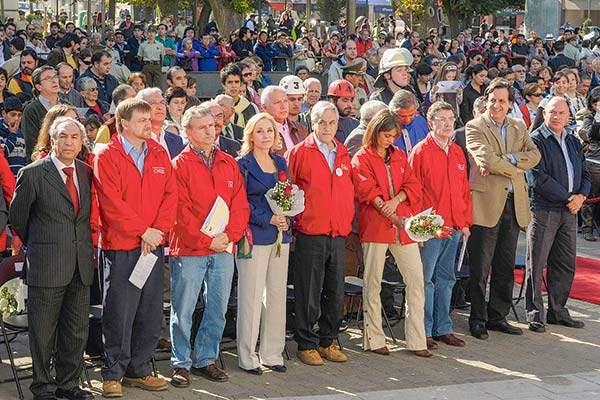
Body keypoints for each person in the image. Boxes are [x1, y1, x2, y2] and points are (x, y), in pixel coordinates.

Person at [94, 98, 177, 397]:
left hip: (152, 245)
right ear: (124, 123)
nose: (148, 123)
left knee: (149, 309)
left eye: (149, 118)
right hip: (122, 247)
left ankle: (139, 370)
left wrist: (156, 232)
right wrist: (143, 230)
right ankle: (113, 373)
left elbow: (171, 195)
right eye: (142, 119)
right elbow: (111, 203)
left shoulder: (158, 152)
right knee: (120, 311)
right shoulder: (108, 155)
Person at [9, 117, 95, 400]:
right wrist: (43, 245)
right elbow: (18, 218)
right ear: (52, 140)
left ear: (81, 142)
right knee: (43, 331)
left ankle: (68, 384)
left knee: (76, 330)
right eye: (63, 137)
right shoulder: (33, 173)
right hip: (47, 264)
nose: (69, 142)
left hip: (80, 265)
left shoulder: (85, 172)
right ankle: (43, 386)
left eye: (74, 137)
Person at [169, 105, 249, 387]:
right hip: (190, 250)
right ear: (188, 132)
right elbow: (179, 212)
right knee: (184, 309)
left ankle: (206, 358)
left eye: (212, 125)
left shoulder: (229, 162)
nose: (209, 130)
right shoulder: (178, 165)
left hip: (224, 248)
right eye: (201, 127)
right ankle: (181, 363)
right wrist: (207, 240)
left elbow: (240, 204)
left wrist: (230, 235)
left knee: (217, 306)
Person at [351, 108, 431, 357]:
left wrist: (397, 201)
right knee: (372, 282)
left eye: (394, 136)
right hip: (377, 226)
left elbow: (413, 184)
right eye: (386, 135)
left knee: (416, 280)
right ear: (375, 132)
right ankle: (374, 338)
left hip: (402, 226)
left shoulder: (399, 155)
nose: (390, 140)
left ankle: (417, 339)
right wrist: (393, 214)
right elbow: (367, 192)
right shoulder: (361, 158)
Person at [465, 78, 541, 340]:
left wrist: (507, 159)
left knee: (505, 266)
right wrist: (516, 166)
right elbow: (485, 159)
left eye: (502, 101)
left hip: (513, 204)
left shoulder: (519, 126)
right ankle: (477, 319)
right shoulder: (474, 126)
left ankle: (498, 316)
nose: (496, 105)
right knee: (480, 268)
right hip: (486, 205)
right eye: (493, 100)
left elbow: (535, 155)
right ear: (486, 100)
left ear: (510, 104)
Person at [285, 101, 354, 366]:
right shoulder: (299, 152)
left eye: (332, 122)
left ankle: (328, 339)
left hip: (337, 233)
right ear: (312, 123)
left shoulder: (343, 152)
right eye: (321, 122)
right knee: (309, 290)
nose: (327, 127)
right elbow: (287, 190)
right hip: (311, 232)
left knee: (335, 291)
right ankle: (305, 342)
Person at [408, 101, 472, 349]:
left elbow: (464, 190)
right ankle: (423, 330)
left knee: (446, 278)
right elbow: (414, 192)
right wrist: (419, 228)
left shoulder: (457, 151)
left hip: (453, 227)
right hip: (429, 228)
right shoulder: (421, 152)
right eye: (442, 119)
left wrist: (464, 222)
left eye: (451, 119)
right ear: (431, 122)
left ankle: (443, 327)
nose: (447, 124)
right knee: (425, 280)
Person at [526, 96, 590, 332]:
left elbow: (584, 173)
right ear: (544, 114)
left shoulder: (573, 141)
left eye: (561, 113)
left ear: (568, 116)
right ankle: (535, 313)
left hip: (569, 211)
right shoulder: (535, 140)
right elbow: (537, 178)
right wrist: (568, 198)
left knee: (565, 263)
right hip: (544, 209)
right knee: (537, 263)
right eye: (552, 112)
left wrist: (581, 196)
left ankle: (558, 311)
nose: (556, 116)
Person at [235, 113, 291, 375]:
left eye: (270, 130)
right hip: (254, 237)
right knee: (252, 296)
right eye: (260, 131)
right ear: (250, 135)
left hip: (280, 236)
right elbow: (241, 202)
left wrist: (286, 217)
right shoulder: (241, 164)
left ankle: (272, 352)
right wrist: (267, 217)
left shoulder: (281, 162)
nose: (266, 135)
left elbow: (288, 195)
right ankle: (247, 355)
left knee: (277, 296)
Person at [22, 66, 62, 161]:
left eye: (55, 76)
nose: (54, 81)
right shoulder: (31, 110)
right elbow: (32, 144)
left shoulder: (67, 106)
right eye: (48, 78)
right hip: (42, 164)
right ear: (38, 86)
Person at [136, 88, 185, 159]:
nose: (160, 107)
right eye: (153, 103)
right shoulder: (136, 141)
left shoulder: (176, 140)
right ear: (139, 109)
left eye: (162, 103)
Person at [578, 87, 600, 241]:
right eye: (597, 103)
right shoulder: (589, 117)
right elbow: (587, 134)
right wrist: (598, 120)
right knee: (590, 197)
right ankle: (587, 228)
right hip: (594, 162)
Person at [262, 86, 308, 156]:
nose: (283, 106)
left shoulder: (300, 129)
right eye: (277, 102)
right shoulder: (259, 132)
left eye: (285, 101)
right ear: (264, 107)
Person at [389, 89, 428, 155]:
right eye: (402, 116)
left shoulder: (421, 122)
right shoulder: (388, 126)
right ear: (394, 112)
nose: (407, 119)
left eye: (411, 115)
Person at [221, 63, 258, 128]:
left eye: (236, 82)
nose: (234, 86)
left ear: (241, 83)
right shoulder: (217, 107)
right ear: (223, 84)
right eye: (230, 82)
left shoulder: (251, 107)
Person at [0, 97, 26, 176]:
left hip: (18, 176)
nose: (16, 118)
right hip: (5, 178)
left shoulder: (21, 133)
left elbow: (24, 156)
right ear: (4, 113)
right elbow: (3, 154)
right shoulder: (1, 131)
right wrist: (12, 134)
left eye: (19, 115)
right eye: (13, 115)